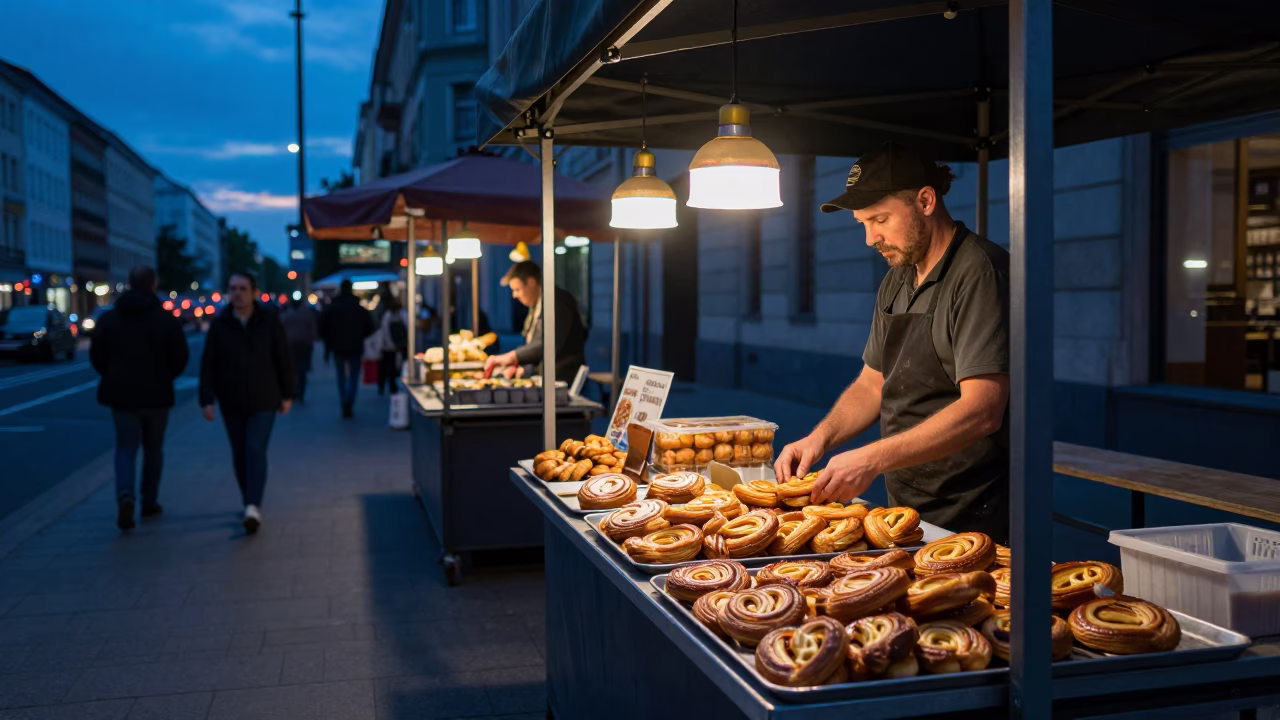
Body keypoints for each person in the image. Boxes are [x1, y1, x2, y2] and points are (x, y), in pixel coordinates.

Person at [773, 142, 1011, 542]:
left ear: (925, 200)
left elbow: (982, 410)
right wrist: (820, 438)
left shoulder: (978, 273)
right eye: (863, 223)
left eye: (880, 219)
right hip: (905, 506)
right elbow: (872, 384)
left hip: (974, 509)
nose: (870, 239)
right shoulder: (897, 279)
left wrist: (871, 458)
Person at [89, 266, 189, 531]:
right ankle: (149, 501)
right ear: (153, 285)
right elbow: (180, 358)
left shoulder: (110, 320)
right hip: (157, 394)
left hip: (121, 394)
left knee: (125, 448)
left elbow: (97, 357)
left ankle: (125, 496)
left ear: (130, 284)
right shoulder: (166, 320)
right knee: (153, 449)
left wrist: (112, 373)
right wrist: (165, 375)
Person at [199, 271, 295, 534]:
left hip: (264, 398)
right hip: (232, 400)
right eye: (233, 289)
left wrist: (287, 394)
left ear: (254, 292)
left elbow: (282, 358)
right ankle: (248, 500)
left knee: (254, 449)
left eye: (242, 288)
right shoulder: (220, 325)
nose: (237, 293)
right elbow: (209, 364)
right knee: (240, 455)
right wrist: (207, 399)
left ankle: (253, 505)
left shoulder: (268, 321)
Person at [483, 261, 585, 384]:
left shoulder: (557, 301)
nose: (514, 295)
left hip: (562, 381)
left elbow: (547, 343)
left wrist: (511, 357)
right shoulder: (537, 304)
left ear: (531, 282)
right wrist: (522, 367)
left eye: (517, 289)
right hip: (547, 380)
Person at [319, 278, 375, 417]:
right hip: (355, 346)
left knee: (341, 376)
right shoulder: (358, 308)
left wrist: (328, 346)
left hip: (338, 347)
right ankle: (349, 400)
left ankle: (344, 400)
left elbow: (324, 329)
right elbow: (370, 327)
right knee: (354, 376)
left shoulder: (333, 308)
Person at [279, 297, 318, 403]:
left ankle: (295, 390)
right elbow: (313, 330)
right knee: (302, 371)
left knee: (293, 370)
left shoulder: (286, 315)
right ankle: (300, 391)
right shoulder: (307, 314)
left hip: (290, 346)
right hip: (304, 345)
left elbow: (280, 331)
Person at [375, 295, 408, 395]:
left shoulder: (390, 314)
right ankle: (390, 386)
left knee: (388, 367)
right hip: (392, 346)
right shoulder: (396, 314)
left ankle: (388, 385)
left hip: (390, 346)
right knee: (390, 367)